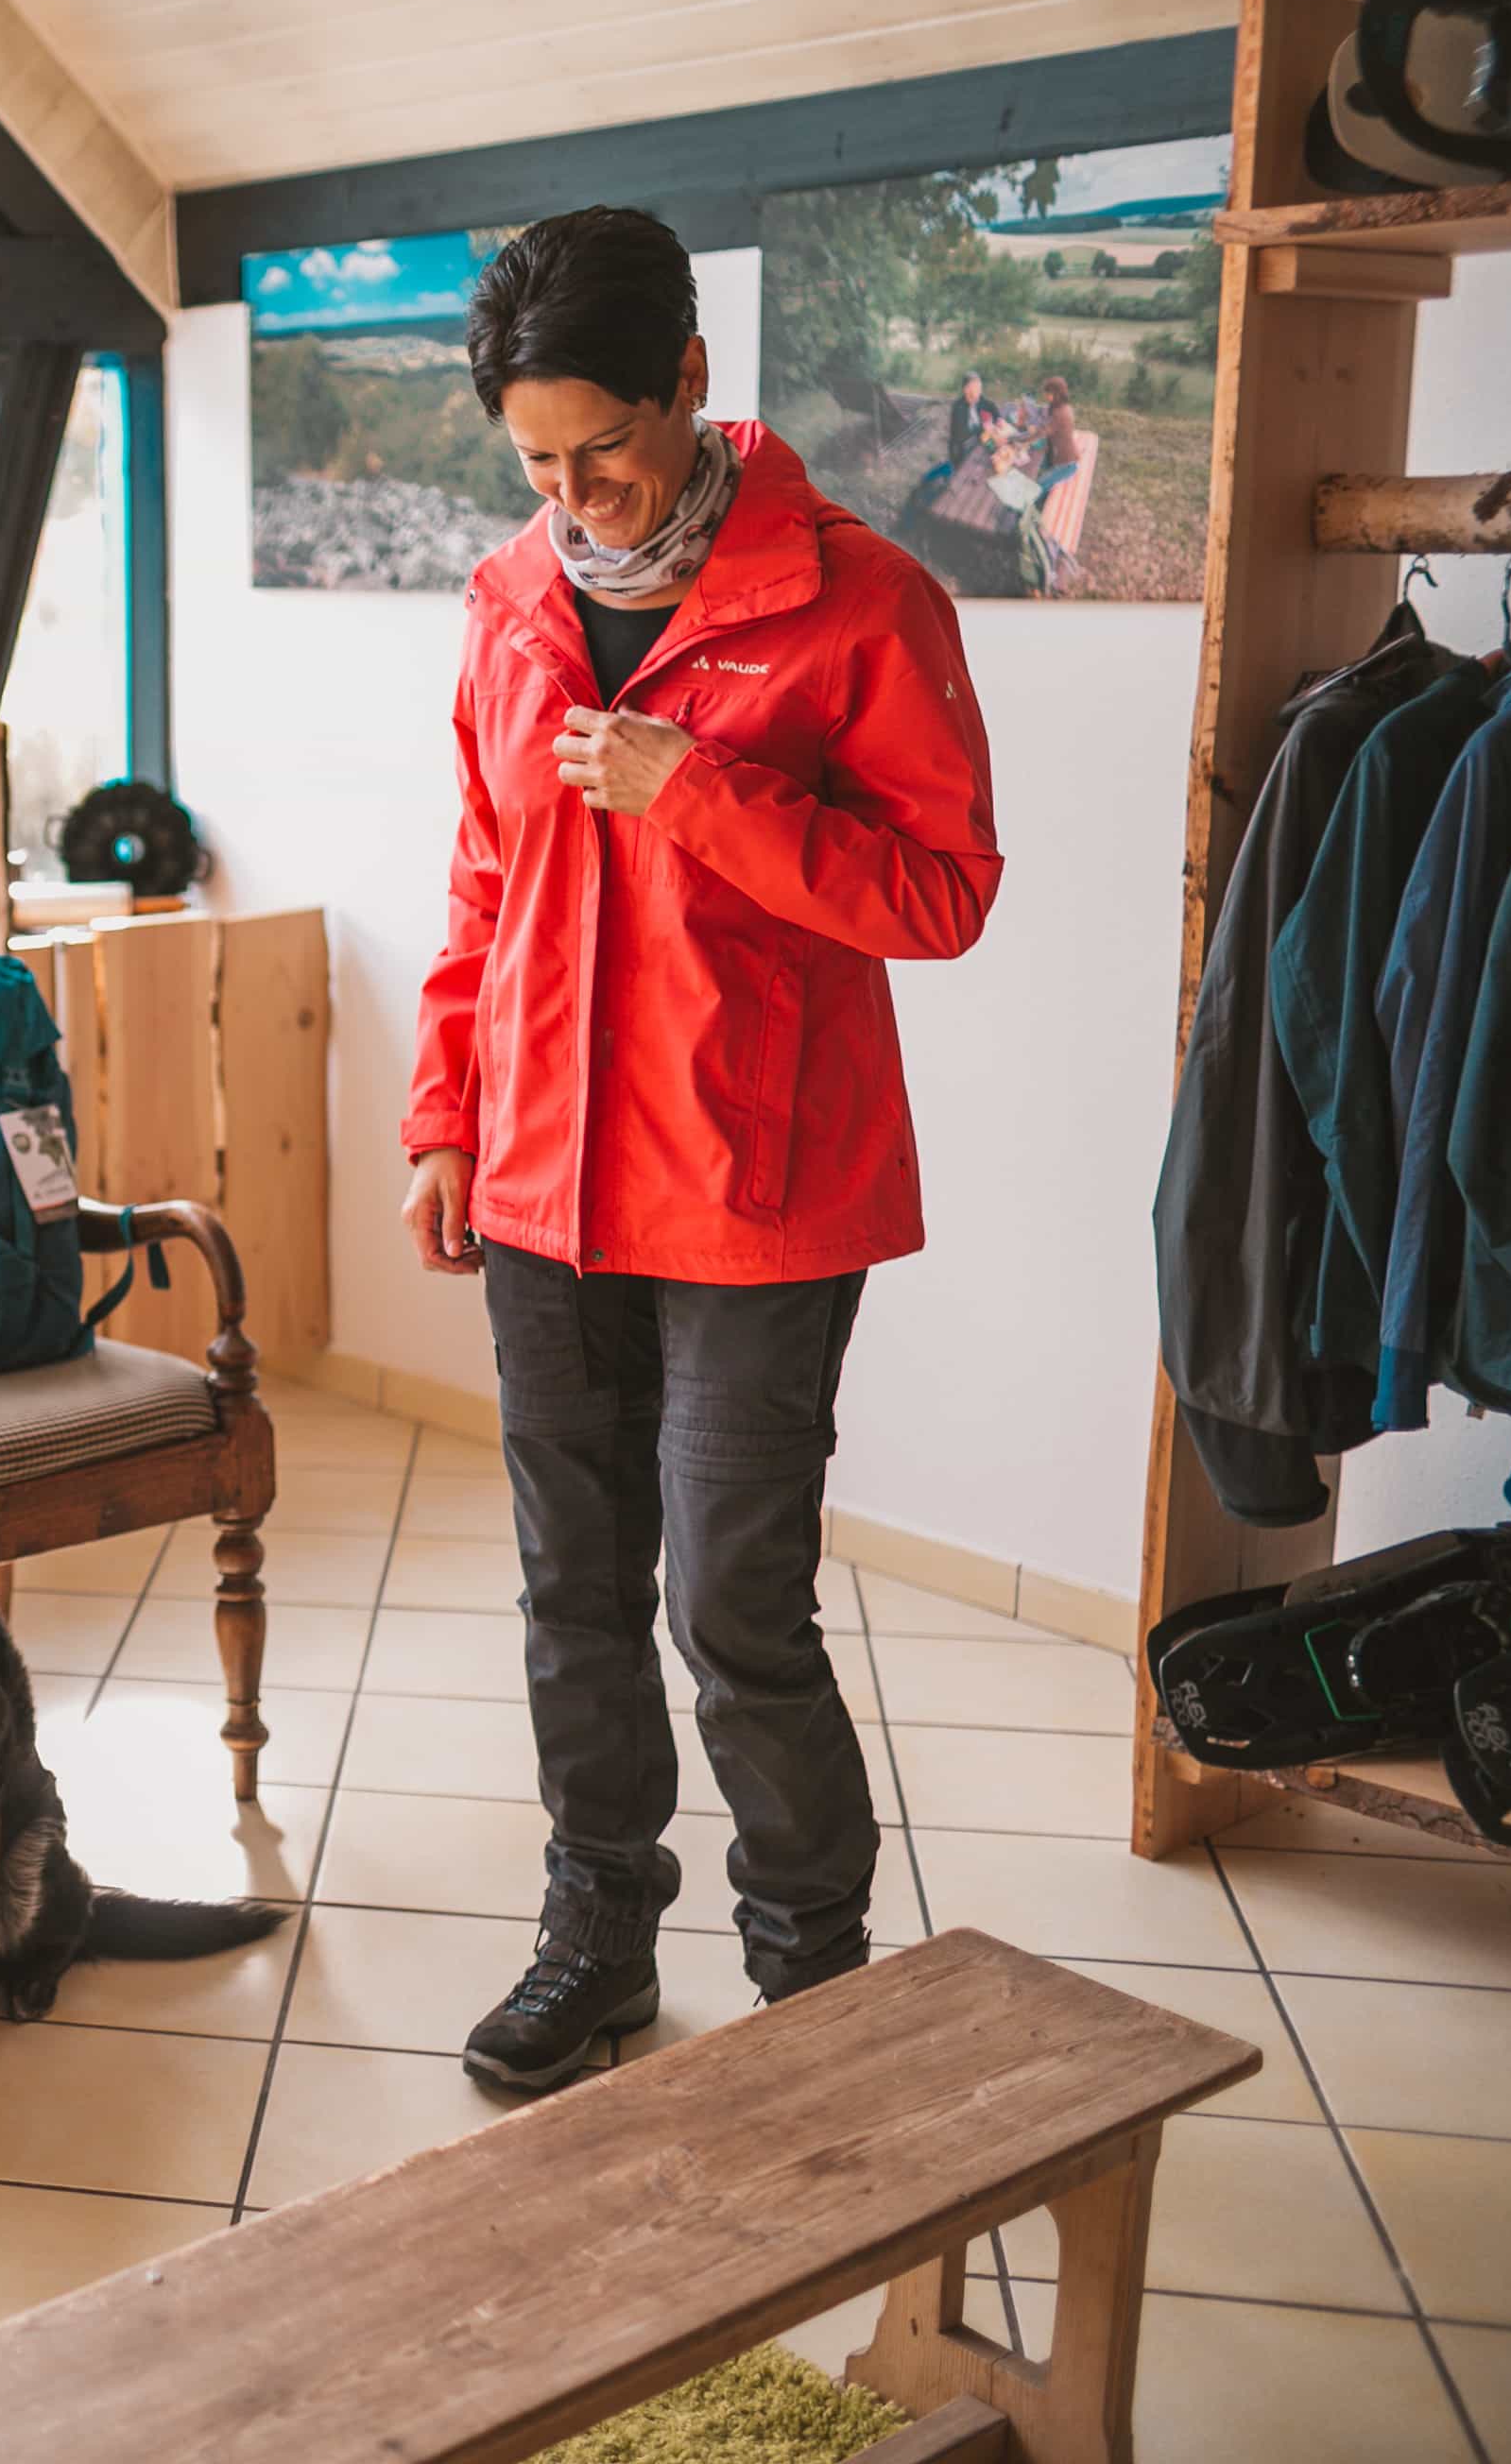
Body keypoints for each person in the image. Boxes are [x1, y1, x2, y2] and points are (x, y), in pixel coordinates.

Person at [399, 207, 1002, 2091]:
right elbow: (487, 880)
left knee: (732, 1608)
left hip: (759, 1192)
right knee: (572, 1590)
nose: (575, 497)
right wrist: (444, 1112)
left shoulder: (861, 598)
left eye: (606, 449)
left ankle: (814, 1972)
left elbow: (941, 892)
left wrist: (707, 795)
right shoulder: (512, 602)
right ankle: (600, 1927)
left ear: (691, 383)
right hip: (541, 1188)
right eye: (537, 464)